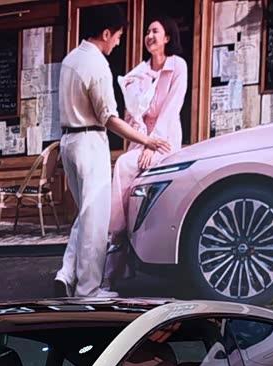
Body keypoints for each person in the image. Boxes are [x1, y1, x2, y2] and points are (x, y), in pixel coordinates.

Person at [53, 4, 172, 300]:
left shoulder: (70, 59)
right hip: (89, 142)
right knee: (95, 221)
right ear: (106, 34)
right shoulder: (97, 65)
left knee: (85, 214)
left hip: (68, 141)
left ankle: (66, 274)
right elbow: (109, 118)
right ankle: (88, 290)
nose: (118, 42)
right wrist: (146, 140)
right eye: (118, 36)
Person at [104, 15, 187, 291]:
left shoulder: (178, 67)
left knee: (136, 171)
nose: (149, 36)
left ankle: (123, 243)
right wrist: (144, 140)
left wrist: (154, 143)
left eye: (155, 31)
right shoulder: (137, 74)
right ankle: (117, 239)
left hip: (165, 141)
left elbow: (172, 107)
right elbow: (132, 115)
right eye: (147, 32)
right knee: (125, 168)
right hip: (142, 141)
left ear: (167, 37)